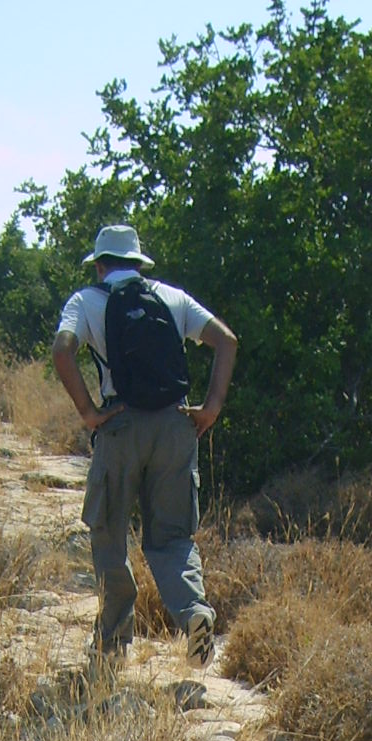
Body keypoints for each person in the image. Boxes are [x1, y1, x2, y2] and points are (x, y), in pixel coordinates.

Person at [52, 223, 237, 672]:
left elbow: (63, 349)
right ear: (138, 263)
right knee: (173, 537)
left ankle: (113, 645)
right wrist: (210, 408)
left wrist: (89, 413)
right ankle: (194, 616)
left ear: (99, 265)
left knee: (110, 534)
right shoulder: (171, 297)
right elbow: (226, 342)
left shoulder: (86, 301)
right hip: (176, 425)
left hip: (120, 425)